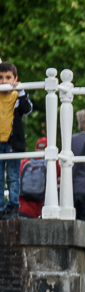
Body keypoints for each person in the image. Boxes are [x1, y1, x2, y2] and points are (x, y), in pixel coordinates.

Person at [0, 62, 33, 217]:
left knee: (13, 176)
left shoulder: (17, 97)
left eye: (8, 78)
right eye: (0, 78)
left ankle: (13, 205)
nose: (4, 82)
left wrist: (20, 90)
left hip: (13, 142)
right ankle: (0, 206)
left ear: (15, 79)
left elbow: (26, 109)